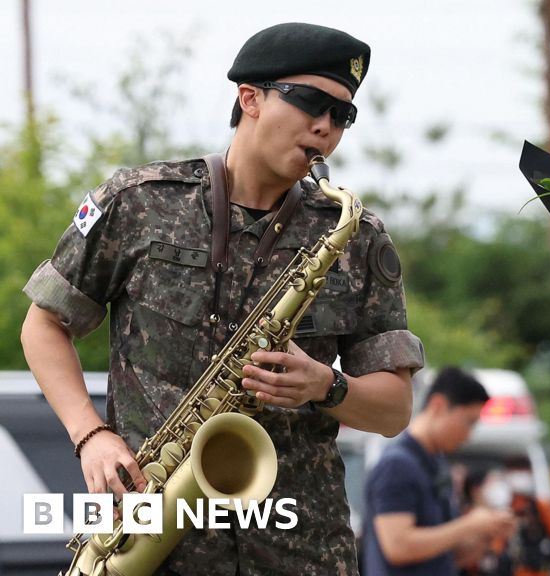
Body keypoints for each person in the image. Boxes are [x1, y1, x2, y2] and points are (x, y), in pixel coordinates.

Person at [20, 22, 424, 575]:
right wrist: (90, 435)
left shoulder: (356, 236)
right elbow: (43, 325)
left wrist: (325, 385)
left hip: (301, 548)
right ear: (249, 97)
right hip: (153, 542)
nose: (325, 127)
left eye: (343, 116)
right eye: (311, 101)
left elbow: (395, 409)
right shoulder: (139, 203)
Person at [362, 367, 516, 575]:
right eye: (469, 422)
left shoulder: (437, 464)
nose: (469, 435)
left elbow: (449, 556)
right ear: (439, 405)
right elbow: (398, 547)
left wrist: (487, 531)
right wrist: (469, 525)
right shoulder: (397, 464)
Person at [504, 456, 550, 576]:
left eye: (523, 472)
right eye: (515, 472)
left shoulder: (541, 506)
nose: (519, 477)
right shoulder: (503, 507)